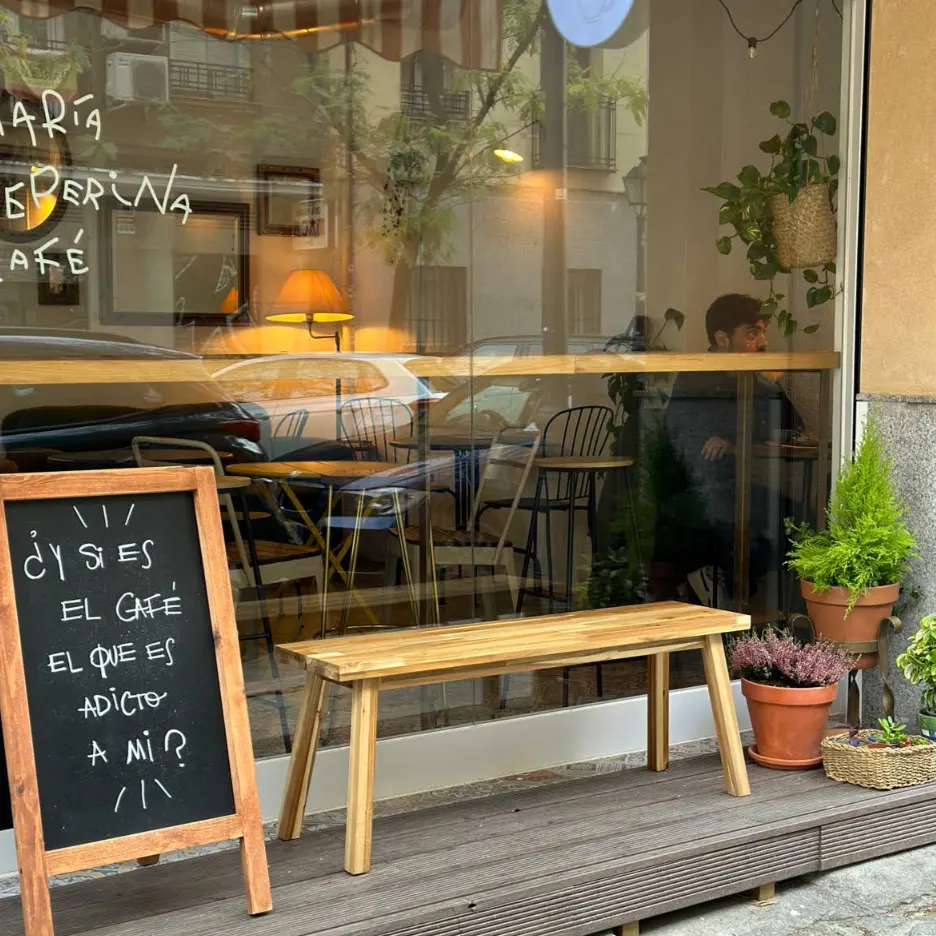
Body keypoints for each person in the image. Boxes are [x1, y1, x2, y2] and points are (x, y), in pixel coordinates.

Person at [661, 293, 803, 608]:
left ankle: (746, 598)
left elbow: (791, 426)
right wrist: (717, 444)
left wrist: (772, 384)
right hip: (698, 487)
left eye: (764, 331)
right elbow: (678, 433)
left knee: (798, 519)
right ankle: (726, 594)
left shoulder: (753, 376)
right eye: (753, 333)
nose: (763, 341)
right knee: (739, 525)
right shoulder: (696, 376)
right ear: (722, 338)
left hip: (738, 484)